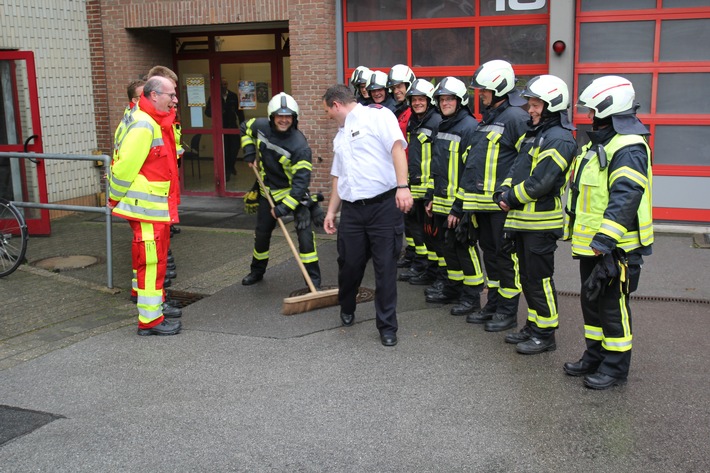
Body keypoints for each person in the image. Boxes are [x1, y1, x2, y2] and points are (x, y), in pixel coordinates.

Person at [564, 75, 653, 389]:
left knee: (613, 307)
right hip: (595, 244)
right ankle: (595, 356)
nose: (590, 117)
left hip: (617, 247)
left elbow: (626, 196)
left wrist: (605, 239)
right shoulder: (601, 142)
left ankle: (615, 368)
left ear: (608, 109)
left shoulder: (628, 147)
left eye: (594, 111)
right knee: (592, 303)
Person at [322, 84, 413, 347]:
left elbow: (397, 149)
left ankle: (387, 326)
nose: (328, 116)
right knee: (349, 264)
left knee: (385, 268)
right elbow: (338, 176)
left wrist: (402, 186)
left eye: (328, 110)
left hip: (383, 207)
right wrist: (332, 211)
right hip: (352, 211)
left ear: (336, 105)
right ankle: (347, 305)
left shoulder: (378, 115)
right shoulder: (339, 136)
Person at [492, 75, 577, 354]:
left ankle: (546, 333)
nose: (531, 109)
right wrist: (503, 191)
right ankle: (532, 325)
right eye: (530, 103)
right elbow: (516, 170)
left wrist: (509, 198)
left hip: (540, 224)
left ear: (553, 105)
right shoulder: (536, 134)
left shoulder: (560, 139)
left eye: (537, 104)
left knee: (540, 279)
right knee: (528, 278)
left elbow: (542, 183)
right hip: (522, 221)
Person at [458, 60, 529, 329]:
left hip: (502, 207)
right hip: (483, 206)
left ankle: (508, 312)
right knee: (491, 255)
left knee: (505, 258)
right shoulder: (491, 117)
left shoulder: (515, 118)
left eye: (484, 90)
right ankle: (495, 304)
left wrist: (510, 194)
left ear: (499, 88)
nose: (481, 94)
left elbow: (527, 159)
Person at [108, 76, 181, 336]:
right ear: (153, 96)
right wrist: (113, 198)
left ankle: (154, 310)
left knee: (154, 261)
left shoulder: (150, 120)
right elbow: (125, 166)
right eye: (170, 95)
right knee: (151, 262)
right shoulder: (143, 124)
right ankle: (150, 321)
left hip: (153, 208)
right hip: (146, 209)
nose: (174, 100)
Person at [240, 92, 322, 288]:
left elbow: (300, 184)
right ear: (271, 117)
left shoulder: (300, 146)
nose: (284, 120)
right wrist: (249, 150)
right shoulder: (260, 126)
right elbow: (244, 128)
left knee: (305, 238)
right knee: (261, 234)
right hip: (267, 191)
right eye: (279, 116)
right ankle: (257, 271)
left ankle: (313, 282)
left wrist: (283, 209)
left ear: (294, 118)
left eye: (288, 116)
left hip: (293, 195)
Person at [424, 77, 485, 316]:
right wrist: (430, 195)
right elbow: (436, 165)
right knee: (448, 248)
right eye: (441, 99)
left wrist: (459, 208)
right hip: (441, 201)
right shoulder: (442, 125)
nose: (445, 103)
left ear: (460, 101)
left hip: (459, 204)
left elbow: (471, 171)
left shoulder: (469, 127)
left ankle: (472, 297)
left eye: (450, 99)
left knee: (464, 248)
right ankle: (455, 289)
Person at [401, 79, 443, 288]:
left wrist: (432, 192)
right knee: (416, 230)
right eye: (414, 100)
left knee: (430, 233)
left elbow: (438, 159)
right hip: (414, 185)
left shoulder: (435, 121)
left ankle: (431, 271)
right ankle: (422, 266)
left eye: (421, 99)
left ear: (429, 101)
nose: (417, 103)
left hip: (428, 188)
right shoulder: (414, 121)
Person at [206, 78, 246, 181]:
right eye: (222, 84)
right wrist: (217, 112)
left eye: (225, 84)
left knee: (235, 147)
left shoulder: (233, 96)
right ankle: (227, 171)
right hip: (220, 127)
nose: (224, 86)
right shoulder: (214, 97)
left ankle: (231, 166)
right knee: (225, 151)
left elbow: (240, 112)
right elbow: (207, 112)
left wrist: (243, 125)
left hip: (232, 126)